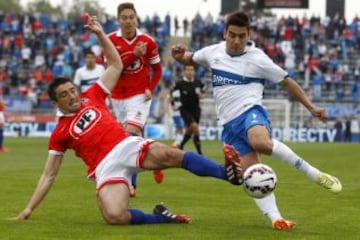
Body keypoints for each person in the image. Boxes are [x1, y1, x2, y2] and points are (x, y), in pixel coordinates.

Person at [12, 15, 242, 226]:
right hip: (104, 166)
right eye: (64, 95)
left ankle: (226, 173)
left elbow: (116, 65)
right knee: (114, 216)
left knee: (170, 154)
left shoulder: (92, 95)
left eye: (72, 90)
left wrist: (101, 34)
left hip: (126, 145)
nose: (72, 96)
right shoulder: (60, 133)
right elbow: (49, 174)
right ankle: (161, 217)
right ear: (55, 103)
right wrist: (28, 208)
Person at [171, 11, 342, 230]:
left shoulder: (258, 58)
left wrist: (311, 107)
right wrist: (180, 55)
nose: (236, 41)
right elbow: (190, 57)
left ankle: (315, 174)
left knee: (260, 141)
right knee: (253, 177)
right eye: (232, 35)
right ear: (224, 33)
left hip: (251, 112)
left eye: (241, 36)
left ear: (248, 35)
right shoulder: (212, 52)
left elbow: (287, 81)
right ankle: (276, 219)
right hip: (229, 126)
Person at [108, 2, 164, 195]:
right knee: (127, 141)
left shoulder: (148, 41)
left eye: (132, 17)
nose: (129, 21)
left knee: (129, 136)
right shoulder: (110, 40)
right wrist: (134, 55)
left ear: (136, 19)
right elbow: (114, 67)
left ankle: (131, 184)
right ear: (119, 20)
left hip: (139, 96)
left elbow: (157, 69)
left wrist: (150, 87)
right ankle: (155, 161)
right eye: (124, 17)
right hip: (117, 97)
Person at [170, 65, 206, 154]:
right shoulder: (180, 83)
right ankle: (200, 153)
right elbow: (171, 92)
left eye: (191, 70)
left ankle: (181, 145)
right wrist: (173, 103)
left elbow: (204, 92)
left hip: (196, 110)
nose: (190, 72)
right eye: (188, 70)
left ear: (194, 71)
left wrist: (202, 96)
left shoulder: (198, 82)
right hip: (185, 109)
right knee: (194, 127)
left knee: (190, 130)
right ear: (184, 71)